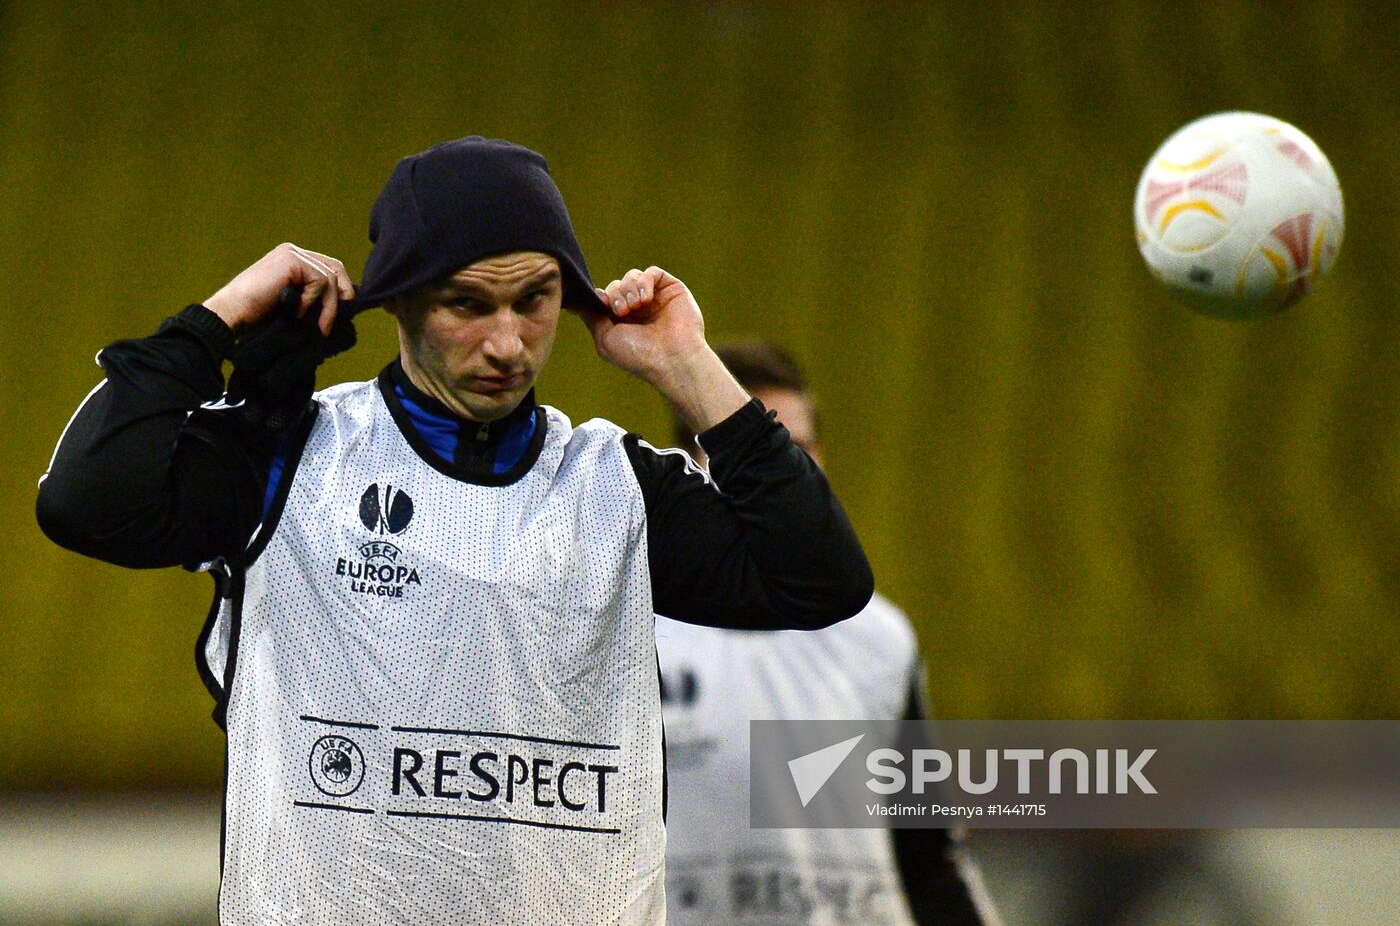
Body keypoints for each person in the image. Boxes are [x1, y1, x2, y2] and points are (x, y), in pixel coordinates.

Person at [35, 137, 874, 925]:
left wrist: (687, 363)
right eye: (467, 304)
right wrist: (215, 321)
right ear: (398, 297)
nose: (507, 343)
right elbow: (83, 499)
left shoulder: (614, 485)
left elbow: (820, 578)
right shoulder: (292, 454)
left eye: (535, 300)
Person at [656, 341, 998, 925]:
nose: (783, 465)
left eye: (798, 445)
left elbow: (926, 853)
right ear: (691, 462)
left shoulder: (880, 637)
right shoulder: (632, 631)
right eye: (754, 446)